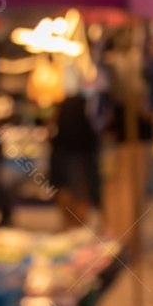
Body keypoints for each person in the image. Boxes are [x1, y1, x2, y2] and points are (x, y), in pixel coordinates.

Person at [50, 90, 101, 228]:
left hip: (74, 149)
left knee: (74, 191)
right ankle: (73, 228)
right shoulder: (85, 99)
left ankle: (75, 228)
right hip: (71, 149)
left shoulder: (88, 96)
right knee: (69, 190)